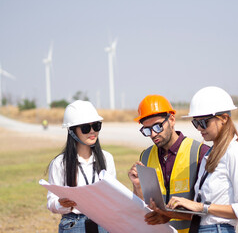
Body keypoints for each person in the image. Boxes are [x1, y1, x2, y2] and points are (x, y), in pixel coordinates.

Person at [147, 87, 238, 233]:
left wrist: (200, 206)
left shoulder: (235, 153)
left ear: (224, 118)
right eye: (196, 123)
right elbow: (205, 214)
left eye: (204, 122)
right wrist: (170, 215)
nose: (199, 128)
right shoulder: (212, 154)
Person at [128, 95, 210, 233]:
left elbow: (210, 211)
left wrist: (170, 214)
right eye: (147, 130)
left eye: (158, 126)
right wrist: (137, 186)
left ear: (172, 119)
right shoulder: (146, 156)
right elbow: (143, 206)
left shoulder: (200, 153)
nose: (153, 134)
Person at [46, 100, 116, 233]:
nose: (92, 132)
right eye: (85, 128)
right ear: (72, 131)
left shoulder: (107, 159)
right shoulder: (60, 163)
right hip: (73, 224)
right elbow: (51, 202)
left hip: (103, 223)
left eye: (96, 126)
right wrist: (61, 204)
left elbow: (112, 196)